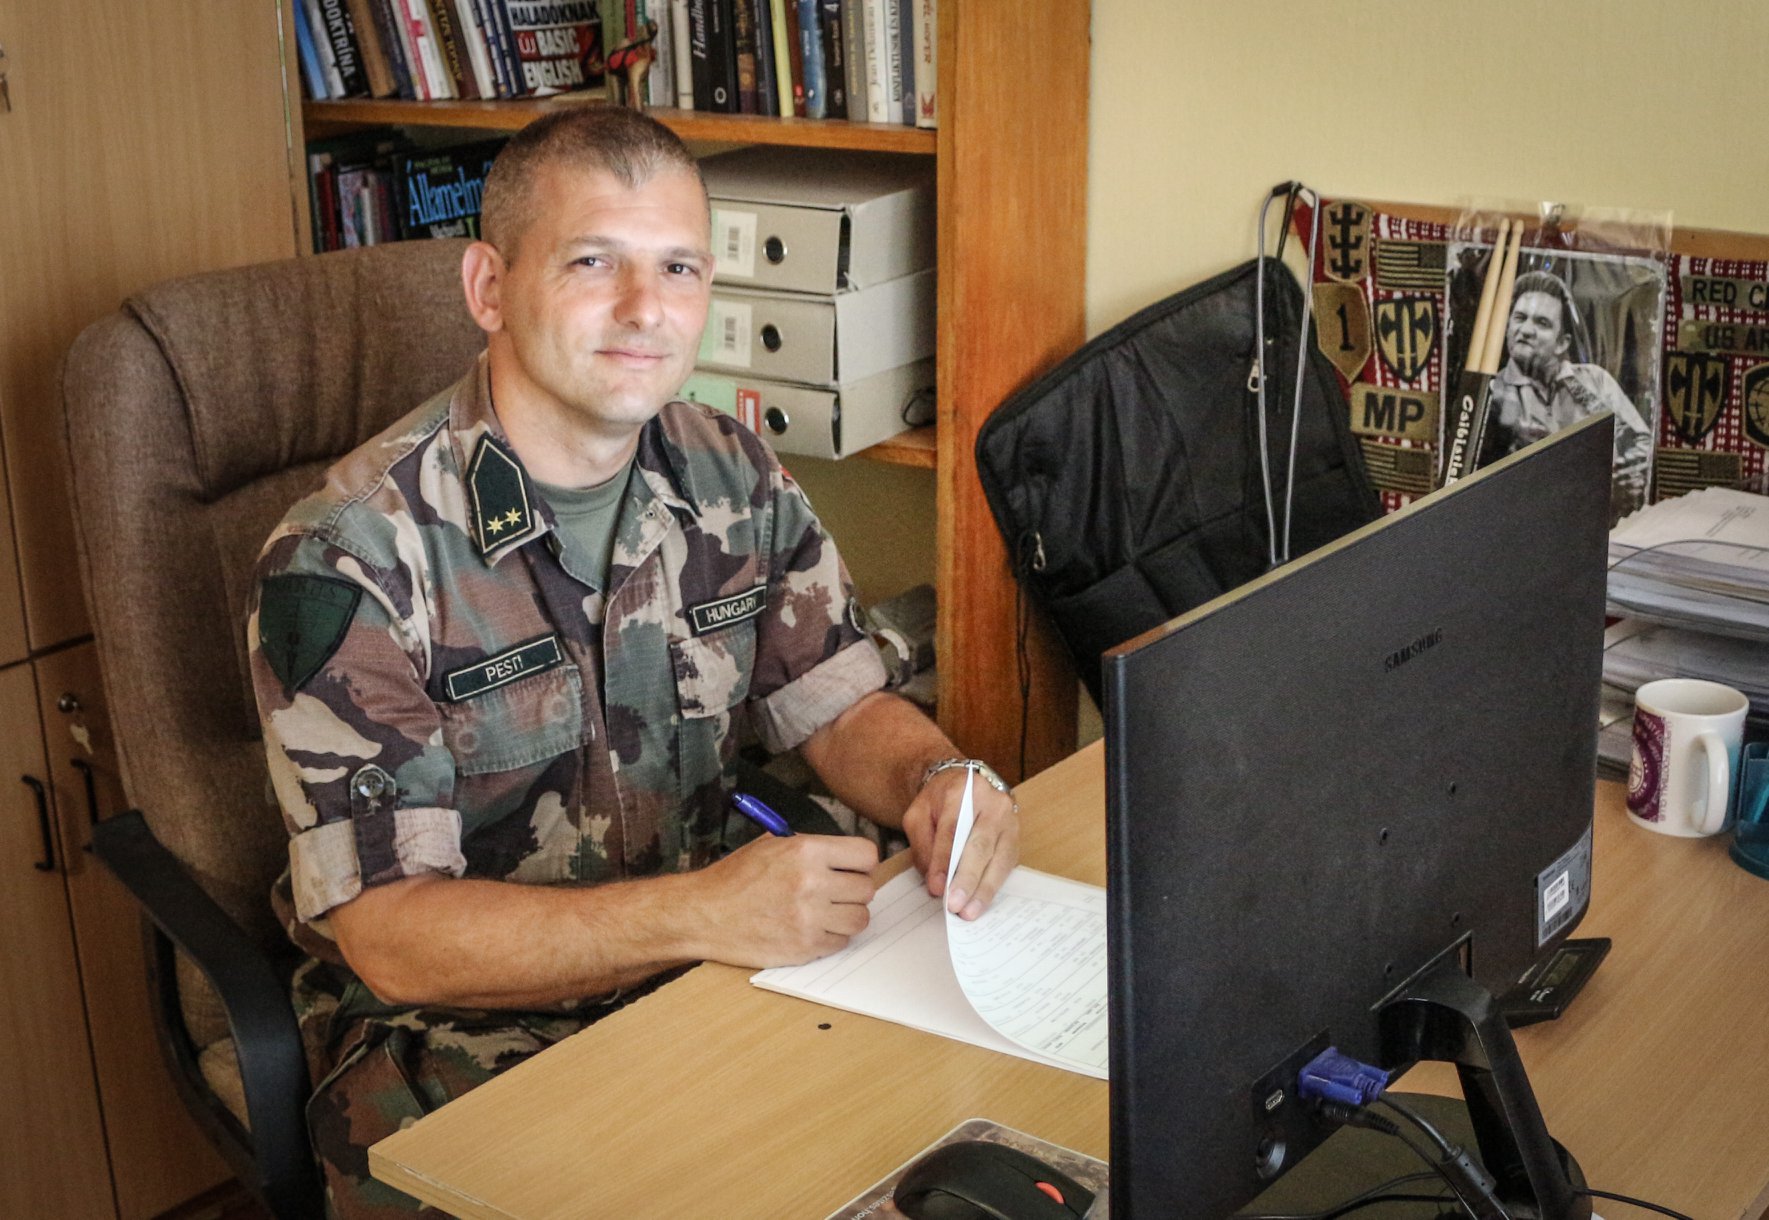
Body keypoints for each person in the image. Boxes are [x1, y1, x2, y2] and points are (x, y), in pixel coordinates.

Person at [246, 107, 1019, 1219]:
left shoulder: (729, 468)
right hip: (465, 1034)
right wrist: (701, 915)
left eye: (678, 267)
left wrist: (936, 778)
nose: (645, 309)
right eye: (592, 262)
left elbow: (840, 702)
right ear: (489, 287)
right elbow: (392, 938)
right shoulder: (347, 558)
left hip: (718, 964)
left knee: (966, 1145)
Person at [1484, 270, 1652, 514]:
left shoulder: (1595, 381)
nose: (1526, 330)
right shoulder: (1491, 395)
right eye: (1520, 318)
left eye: (1542, 323)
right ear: (1507, 326)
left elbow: (1641, 444)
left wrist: (1615, 480)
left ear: (1562, 343)